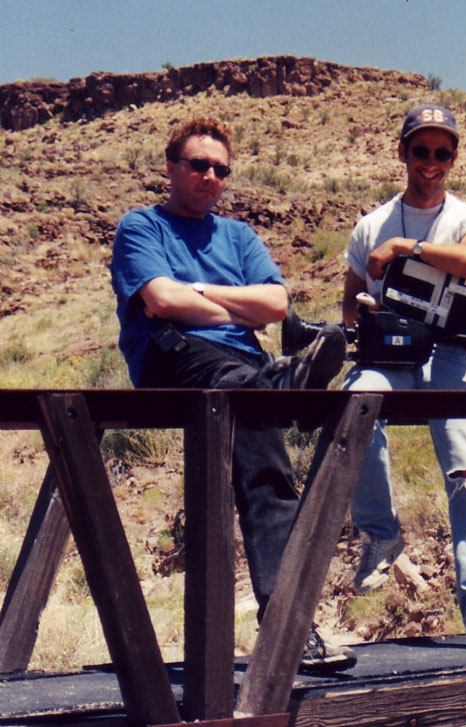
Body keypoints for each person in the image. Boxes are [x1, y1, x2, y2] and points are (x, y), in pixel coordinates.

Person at [110, 116, 353, 669]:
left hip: (240, 368)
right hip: (172, 358)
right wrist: (224, 302)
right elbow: (161, 301)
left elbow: (275, 306)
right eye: (199, 165)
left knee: (269, 473)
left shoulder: (239, 236)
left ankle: (290, 624)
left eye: (221, 169)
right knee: (248, 388)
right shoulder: (141, 227)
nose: (211, 177)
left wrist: (196, 291)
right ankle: (284, 385)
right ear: (172, 167)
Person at [342, 104, 466, 653]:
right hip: (391, 354)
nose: (432, 162)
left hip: (450, 353)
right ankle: (381, 534)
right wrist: (366, 312)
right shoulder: (371, 224)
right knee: (353, 405)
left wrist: (408, 250)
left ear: (454, 157)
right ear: (403, 153)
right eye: (422, 151)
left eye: (443, 152)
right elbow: (350, 302)